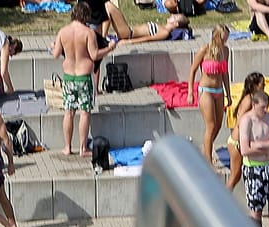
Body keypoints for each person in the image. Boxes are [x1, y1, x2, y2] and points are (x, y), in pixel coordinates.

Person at [52, 4, 112, 158]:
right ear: (86, 16)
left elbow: (55, 54)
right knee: (84, 113)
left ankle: (67, 147)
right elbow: (94, 55)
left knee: (68, 112)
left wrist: (54, 46)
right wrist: (110, 48)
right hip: (84, 77)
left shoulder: (63, 32)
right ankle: (83, 148)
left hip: (68, 77)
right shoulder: (88, 33)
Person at [238, 91, 269, 227]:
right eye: (262, 107)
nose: (265, 110)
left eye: (267, 106)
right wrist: (268, 145)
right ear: (254, 105)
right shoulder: (246, 121)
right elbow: (245, 150)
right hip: (254, 169)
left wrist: (260, 145)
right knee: (256, 210)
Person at [188, 25, 232, 167]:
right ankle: (207, 160)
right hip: (205, 90)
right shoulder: (204, 50)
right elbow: (193, 70)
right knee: (211, 125)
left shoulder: (225, 51)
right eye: (224, 38)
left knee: (218, 125)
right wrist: (190, 92)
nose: (226, 41)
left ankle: (206, 148)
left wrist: (228, 94)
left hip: (218, 91)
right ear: (217, 36)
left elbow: (225, 74)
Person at [110, 11, 189, 43]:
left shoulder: (165, 32)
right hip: (127, 31)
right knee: (106, 8)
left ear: (176, 24)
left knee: (108, 7)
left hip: (128, 34)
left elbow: (148, 39)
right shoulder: (162, 27)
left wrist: (128, 42)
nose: (172, 15)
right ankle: (102, 36)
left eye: (174, 17)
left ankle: (102, 36)